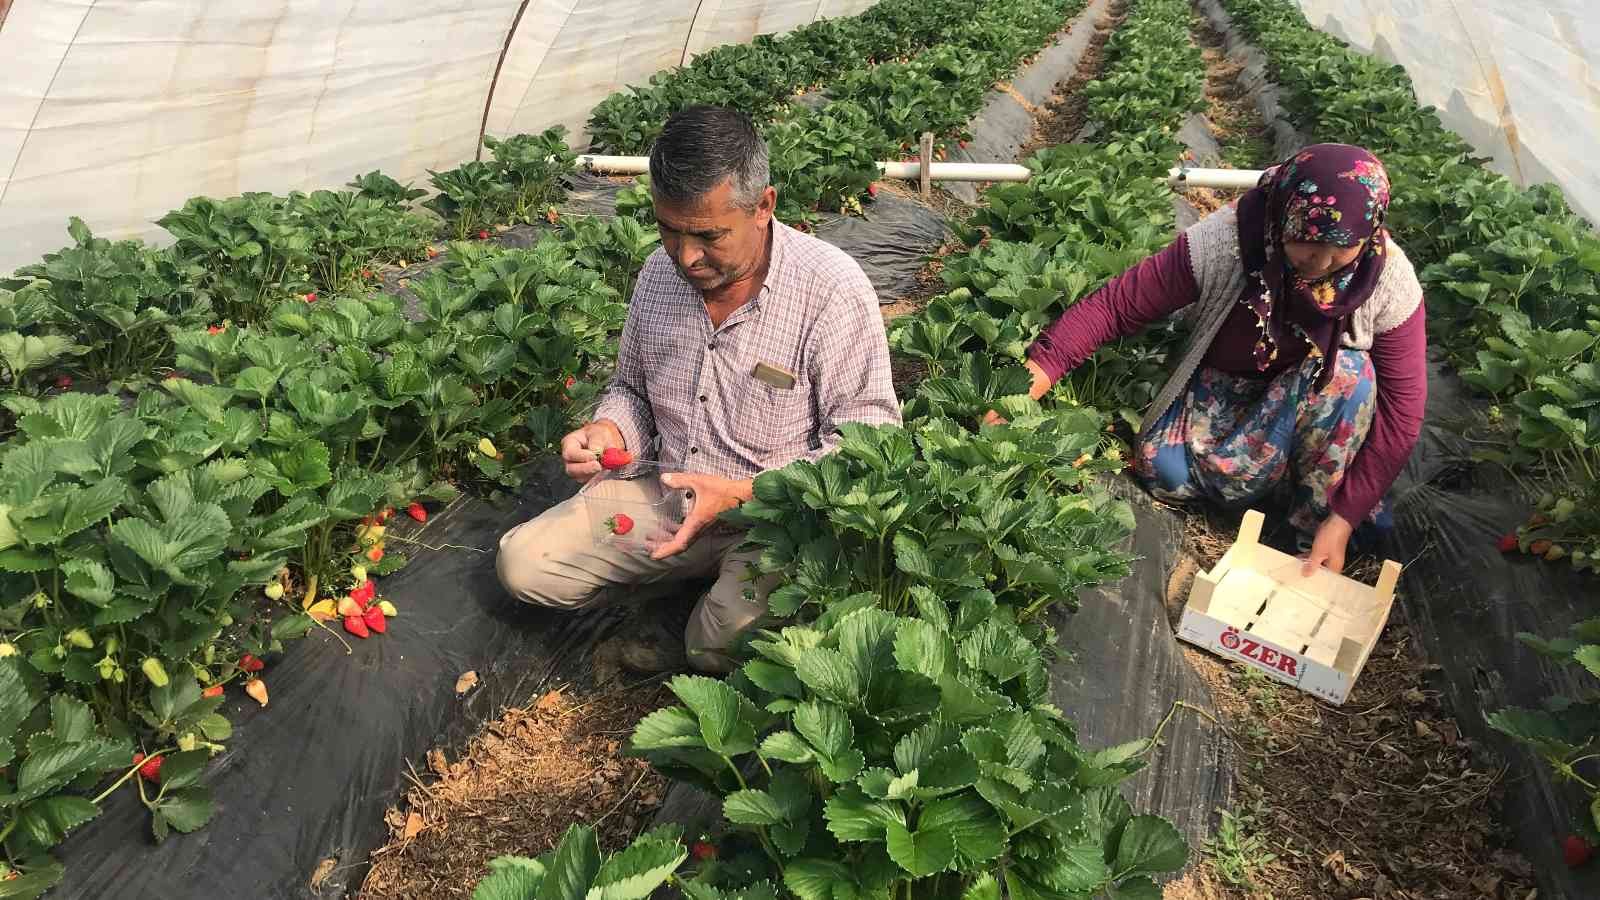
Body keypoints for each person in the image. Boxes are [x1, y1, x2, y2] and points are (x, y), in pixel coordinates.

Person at [495, 105, 900, 674]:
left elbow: (869, 442)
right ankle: (677, 586)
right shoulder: (659, 278)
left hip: (773, 522)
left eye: (709, 236)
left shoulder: (829, 290)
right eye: (668, 229)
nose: (686, 255)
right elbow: (631, 387)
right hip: (665, 491)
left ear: (763, 207)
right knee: (524, 564)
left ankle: (695, 608)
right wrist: (608, 429)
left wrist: (740, 494)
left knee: (716, 645)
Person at [1016, 144, 1425, 575]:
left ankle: (1312, 525)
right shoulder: (1229, 240)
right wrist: (1027, 383)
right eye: (1305, 241)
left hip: (1316, 407)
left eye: (1340, 249)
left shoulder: (1390, 279)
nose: (1320, 263)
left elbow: (1403, 413)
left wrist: (1342, 521)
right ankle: (1269, 485)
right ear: (1284, 213)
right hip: (1228, 389)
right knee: (1163, 471)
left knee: (1348, 375)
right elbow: (1117, 306)